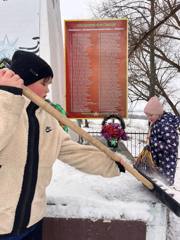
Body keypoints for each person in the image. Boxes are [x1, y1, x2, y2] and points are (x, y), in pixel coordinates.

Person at [0, 50, 124, 239]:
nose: (47, 90)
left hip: (31, 224)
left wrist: (111, 164)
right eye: (43, 83)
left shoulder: (47, 118)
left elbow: (73, 151)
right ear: (24, 80)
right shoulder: (4, 108)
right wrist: (8, 98)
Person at [144, 96, 180, 186]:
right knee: (156, 182)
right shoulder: (155, 123)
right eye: (147, 115)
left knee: (164, 184)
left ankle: (166, 198)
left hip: (166, 162)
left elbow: (171, 146)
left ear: (158, 113)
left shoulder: (166, 125)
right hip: (157, 159)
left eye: (151, 115)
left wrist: (153, 141)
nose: (149, 118)